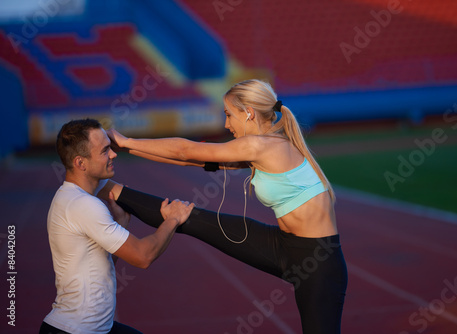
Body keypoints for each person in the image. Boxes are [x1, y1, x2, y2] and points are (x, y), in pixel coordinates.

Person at [106, 79, 348, 334]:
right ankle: (113, 191)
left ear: (248, 113)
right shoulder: (266, 144)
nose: (226, 124)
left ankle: (113, 190)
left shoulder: (261, 145)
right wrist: (126, 149)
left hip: (318, 262)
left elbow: (184, 151)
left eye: (229, 115)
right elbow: (191, 160)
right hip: (282, 245)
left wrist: (126, 141)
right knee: (190, 219)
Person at [40, 119, 194, 334]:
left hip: (93, 328)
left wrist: (121, 223)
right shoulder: (83, 205)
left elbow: (95, 264)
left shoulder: (70, 196)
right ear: (80, 163)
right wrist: (173, 219)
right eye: (105, 151)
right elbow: (143, 256)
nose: (113, 154)